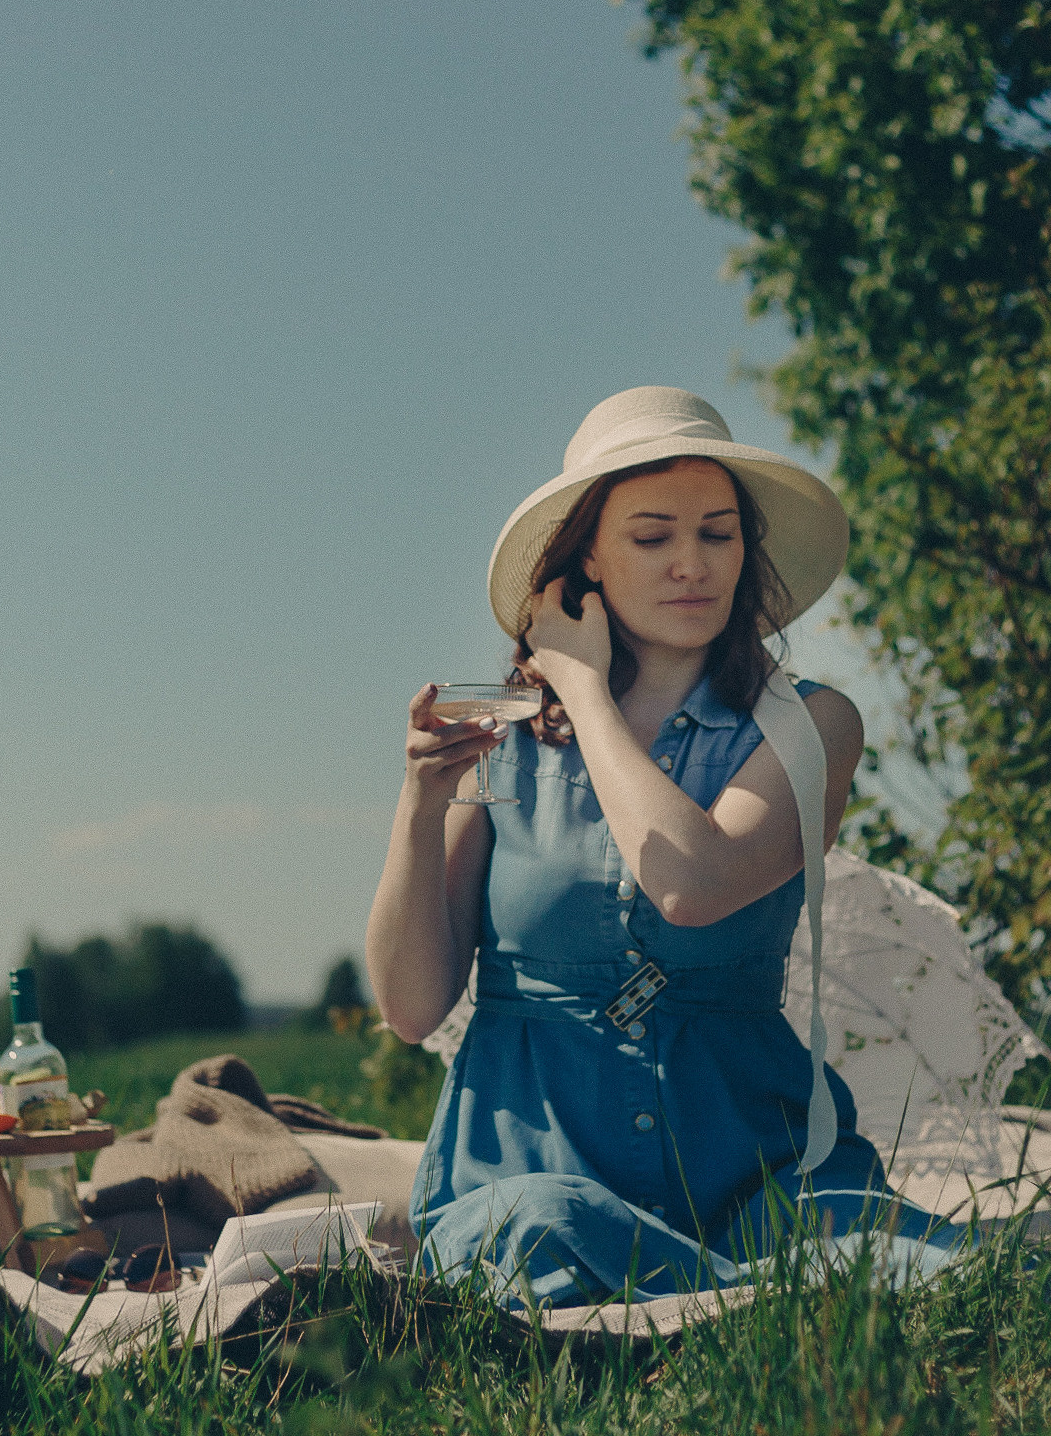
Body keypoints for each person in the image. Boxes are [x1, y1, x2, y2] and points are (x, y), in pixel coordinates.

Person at [366, 386, 963, 1307]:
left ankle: (713, 1284)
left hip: (753, 1168)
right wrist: (419, 801)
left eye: (719, 534)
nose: (693, 564)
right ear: (587, 559)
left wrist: (583, 688)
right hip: (534, 1166)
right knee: (543, 1225)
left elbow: (691, 885)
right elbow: (411, 1009)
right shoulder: (501, 733)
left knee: (862, 1243)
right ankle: (736, 1294)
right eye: (652, 538)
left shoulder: (811, 725)